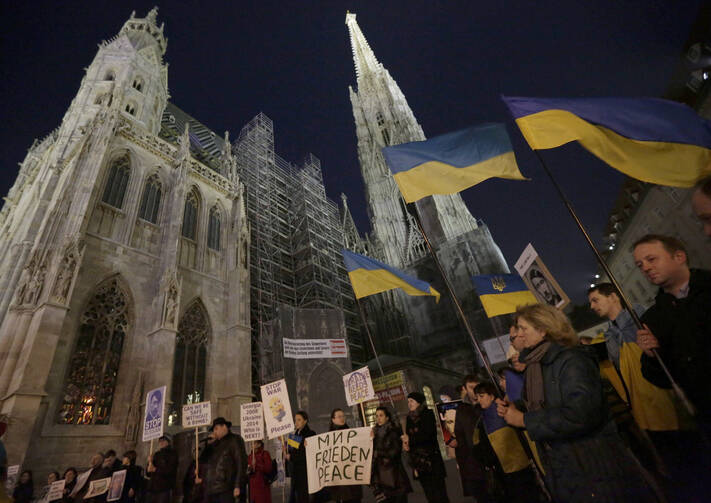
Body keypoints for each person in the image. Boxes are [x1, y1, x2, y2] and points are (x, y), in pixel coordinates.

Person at [496, 303, 658, 502]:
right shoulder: (535, 366)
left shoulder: (571, 360)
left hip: (594, 466)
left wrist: (525, 420)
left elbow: (582, 414)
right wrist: (516, 408)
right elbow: (545, 402)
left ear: (543, 329)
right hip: (566, 469)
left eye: (523, 328)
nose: (518, 335)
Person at [633, 234, 711, 499]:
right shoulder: (653, 317)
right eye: (640, 265)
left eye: (651, 259)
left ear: (679, 256)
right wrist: (652, 356)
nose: (645, 268)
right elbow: (661, 378)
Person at [588, 283, 678, 434]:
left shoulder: (641, 316)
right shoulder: (609, 335)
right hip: (641, 406)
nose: (591, 306)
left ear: (613, 297)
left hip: (664, 397)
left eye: (595, 300)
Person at [474, 382, 540, 503]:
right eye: (477, 397)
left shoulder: (503, 410)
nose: (479, 400)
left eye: (481, 396)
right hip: (501, 469)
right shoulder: (482, 418)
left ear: (492, 396)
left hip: (518, 465)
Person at [401, 392, 448, 503]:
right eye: (408, 401)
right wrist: (406, 445)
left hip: (432, 460)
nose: (409, 404)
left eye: (411, 401)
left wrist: (410, 440)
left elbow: (428, 435)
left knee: (440, 494)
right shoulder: (409, 418)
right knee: (429, 494)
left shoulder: (428, 414)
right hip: (419, 462)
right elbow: (409, 436)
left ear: (418, 402)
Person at [451, 374, 491, 502]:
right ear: (465, 389)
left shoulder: (487, 405)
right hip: (473, 466)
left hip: (490, 461)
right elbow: (460, 436)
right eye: (471, 387)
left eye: (477, 387)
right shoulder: (462, 409)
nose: (474, 391)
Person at [200, 417, 247, 503]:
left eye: (216, 429)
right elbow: (201, 459)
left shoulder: (234, 440)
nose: (214, 432)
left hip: (226, 488)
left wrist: (238, 485)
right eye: (213, 430)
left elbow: (241, 462)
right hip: (211, 489)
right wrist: (207, 445)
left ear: (224, 427)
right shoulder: (214, 444)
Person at [370, 406, 411, 503]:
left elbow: (394, 452)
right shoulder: (373, 433)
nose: (378, 418)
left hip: (395, 476)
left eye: (381, 415)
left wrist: (378, 452)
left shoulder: (393, 431)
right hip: (381, 479)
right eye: (376, 416)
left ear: (387, 417)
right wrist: (371, 440)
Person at [328, 409, 363, 503]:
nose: (342, 418)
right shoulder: (328, 438)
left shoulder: (351, 433)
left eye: (343, 416)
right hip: (339, 479)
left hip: (351, 475)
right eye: (339, 416)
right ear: (333, 419)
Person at [285, 411, 315, 503]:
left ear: (305, 421)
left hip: (304, 473)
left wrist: (291, 457)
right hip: (295, 472)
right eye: (295, 420)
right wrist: (285, 446)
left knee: (303, 497)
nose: (296, 422)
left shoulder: (310, 434)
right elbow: (290, 451)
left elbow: (305, 453)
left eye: (299, 420)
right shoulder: (295, 434)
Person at [146, 435, 178, 503]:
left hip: (164, 488)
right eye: (160, 441)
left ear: (168, 442)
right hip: (152, 488)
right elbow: (148, 473)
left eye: (163, 440)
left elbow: (171, 471)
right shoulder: (156, 454)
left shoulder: (173, 454)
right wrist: (149, 462)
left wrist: (155, 470)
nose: (161, 442)